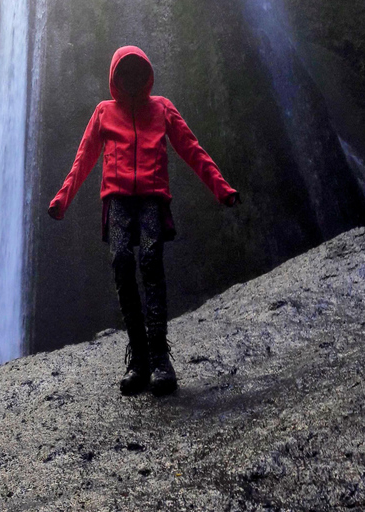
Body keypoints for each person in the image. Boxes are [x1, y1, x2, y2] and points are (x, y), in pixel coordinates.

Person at [48, 45, 240, 396]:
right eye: (126, 72)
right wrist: (62, 198)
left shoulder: (162, 108)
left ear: (146, 75)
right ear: (116, 77)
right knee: (122, 262)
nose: (132, 78)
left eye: (137, 72)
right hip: (118, 199)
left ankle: (159, 359)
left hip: (151, 198)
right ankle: (138, 360)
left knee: (150, 263)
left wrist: (221, 188)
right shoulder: (104, 112)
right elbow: (84, 158)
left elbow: (191, 149)